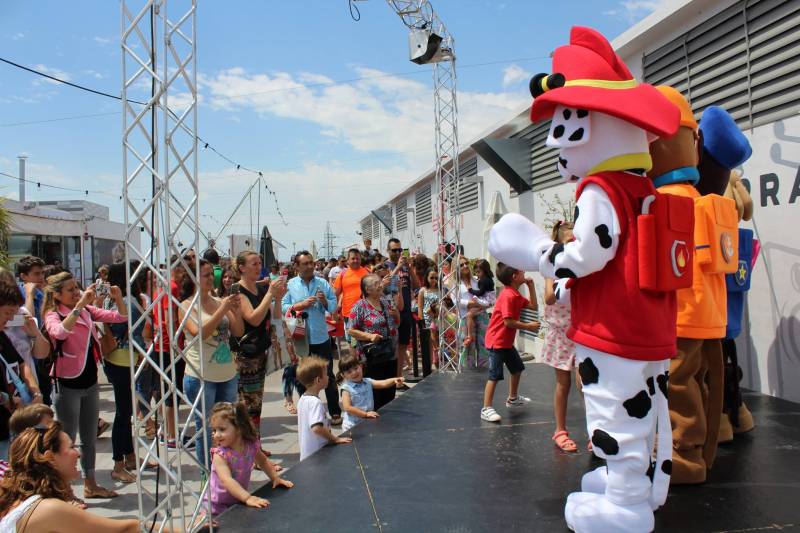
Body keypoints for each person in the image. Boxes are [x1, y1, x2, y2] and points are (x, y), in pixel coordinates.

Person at [42, 272, 127, 499]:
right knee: (66, 440)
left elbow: (121, 317)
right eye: (70, 290)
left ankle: (90, 485)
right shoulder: (53, 314)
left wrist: (118, 298)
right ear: (57, 295)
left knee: (89, 439)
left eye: (76, 288)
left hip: (90, 382)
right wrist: (80, 305)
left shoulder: (87, 311)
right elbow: (59, 333)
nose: (77, 292)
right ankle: (65, 492)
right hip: (67, 385)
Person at [0, 423, 139, 532]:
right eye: (71, 447)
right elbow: (124, 530)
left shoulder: (19, 500)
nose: (78, 453)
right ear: (49, 457)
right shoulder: (49, 509)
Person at [179, 259, 244, 465]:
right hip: (201, 375)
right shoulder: (185, 305)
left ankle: (227, 471)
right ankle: (208, 475)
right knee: (206, 429)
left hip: (227, 374)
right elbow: (199, 334)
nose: (211, 279)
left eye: (211, 275)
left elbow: (238, 331)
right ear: (193, 278)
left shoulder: (218, 301)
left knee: (228, 425)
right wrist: (222, 310)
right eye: (206, 275)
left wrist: (235, 310)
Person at [282, 251, 341, 425]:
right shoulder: (291, 285)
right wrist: (299, 305)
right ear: (297, 266)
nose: (309, 266)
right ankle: (307, 412)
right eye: (305, 263)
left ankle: (334, 411)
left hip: (320, 337)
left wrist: (323, 302)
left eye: (311, 263)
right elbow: (282, 307)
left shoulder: (322, 282)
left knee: (327, 375)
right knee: (303, 377)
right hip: (301, 339)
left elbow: (333, 306)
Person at [204, 402, 293, 515]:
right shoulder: (220, 455)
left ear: (239, 428)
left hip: (236, 500)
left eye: (222, 429)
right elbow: (227, 480)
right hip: (215, 506)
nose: (216, 435)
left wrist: (275, 478)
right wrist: (247, 498)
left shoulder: (250, 446)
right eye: (214, 430)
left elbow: (263, 461)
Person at [102, 263, 147, 482]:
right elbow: (120, 327)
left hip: (121, 359)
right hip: (122, 360)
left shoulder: (120, 299)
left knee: (127, 412)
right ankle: (118, 462)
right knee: (123, 413)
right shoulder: (126, 301)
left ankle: (129, 457)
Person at [234, 250, 286, 436]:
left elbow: (276, 317)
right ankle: (251, 449)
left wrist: (278, 298)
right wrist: (270, 294)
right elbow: (253, 319)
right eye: (254, 263)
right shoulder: (238, 291)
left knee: (256, 405)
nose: (259, 267)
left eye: (259, 263)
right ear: (242, 268)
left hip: (260, 353)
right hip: (246, 357)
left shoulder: (262, 289)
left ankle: (255, 447)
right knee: (248, 406)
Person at [480, 263, 539, 423]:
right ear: (514, 276)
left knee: (517, 368)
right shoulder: (508, 296)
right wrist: (529, 326)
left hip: (505, 342)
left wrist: (531, 286)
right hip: (496, 342)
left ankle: (512, 398)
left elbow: (534, 306)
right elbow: (508, 322)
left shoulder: (516, 295)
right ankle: (486, 408)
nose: (524, 271)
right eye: (521, 270)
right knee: (494, 375)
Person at [540, 222, 580, 452]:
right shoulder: (551, 269)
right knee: (563, 384)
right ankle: (560, 430)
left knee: (586, 384)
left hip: (582, 331)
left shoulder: (582, 267)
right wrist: (562, 283)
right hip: (561, 334)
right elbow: (548, 297)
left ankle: (596, 432)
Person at [0, 278, 46, 462]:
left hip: (12, 426)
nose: (11, 319)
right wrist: (9, 401)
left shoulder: (2, 335)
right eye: (7, 313)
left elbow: (22, 364)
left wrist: (35, 392)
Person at [347, 274, 402, 410]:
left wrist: (396, 315)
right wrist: (369, 336)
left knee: (390, 389)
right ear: (367, 289)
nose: (381, 285)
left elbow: (397, 324)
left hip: (390, 353)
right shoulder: (359, 306)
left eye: (380, 282)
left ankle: (388, 416)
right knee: (375, 391)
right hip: (372, 356)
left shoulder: (386, 302)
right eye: (376, 283)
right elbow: (351, 330)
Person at [296, 357, 351, 461]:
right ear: (318, 380)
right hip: (318, 455)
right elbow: (316, 428)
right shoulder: (315, 402)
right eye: (326, 374)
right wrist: (335, 439)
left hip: (307, 455)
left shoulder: (302, 399)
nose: (328, 377)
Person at [337, 353, 404, 432]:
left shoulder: (368, 381)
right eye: (349, 372)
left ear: (361, 366)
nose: (354, 372)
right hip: (352, 425)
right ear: (343, 375)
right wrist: (365, 414)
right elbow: (347, 408)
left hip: (366, 421)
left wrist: (394, 380)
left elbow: (383, 383)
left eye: (356, 368)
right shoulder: (346, 388)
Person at [384, 239, 417, 378]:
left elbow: (417, 285)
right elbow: (382, 285)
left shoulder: (406, 267)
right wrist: (397, 267)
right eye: (394, 250)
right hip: (391, 311)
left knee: (403, 345)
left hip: (406, 310)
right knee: (391, 346)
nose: (398, 252)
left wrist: (409, 267)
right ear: (388, 250)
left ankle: (398, 378)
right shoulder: (384, 266)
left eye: (399, 249)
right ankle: (389, 378)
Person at [456, 259, 494, 368]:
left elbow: (487, 298)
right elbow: (456, 302)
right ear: (456, 267)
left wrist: (482, 304)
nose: (465, 266)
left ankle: (485, 375)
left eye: (466, 263)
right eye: (461, 264)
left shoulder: (477, 279)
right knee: (468, 349)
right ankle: (467, 377)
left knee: (484, 347)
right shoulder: (455, 284)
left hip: (481, 315)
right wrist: (473, 303)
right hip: (466, 318)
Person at [333, 249, 371, 341]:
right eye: (353, 258)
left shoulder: (367, 272)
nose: (355, 261)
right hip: (349, 314)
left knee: (367, 341)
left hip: (367, 313)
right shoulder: (343, 274)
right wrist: (334, 312)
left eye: (357, 258)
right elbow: (334, 294)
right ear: (348, 260)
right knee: (352, 343)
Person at [416, 267, 440, 375]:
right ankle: (428, 368)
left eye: (436, 278)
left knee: (439, 344)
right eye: (432, 278)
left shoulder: (441, 290)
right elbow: (420, 308)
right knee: (430, 345)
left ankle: (439, 365)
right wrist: (422, 322)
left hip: (439, 320)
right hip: (427, 321)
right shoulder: (423, 290)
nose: (434, 280)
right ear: (427, 278)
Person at [16, 256, 45, 323]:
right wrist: (29, 295)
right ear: (23, 276)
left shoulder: (41, 294)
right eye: (36, 274)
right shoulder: (15, 295)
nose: (41, 277)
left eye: (43, 273)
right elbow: (27, 321)